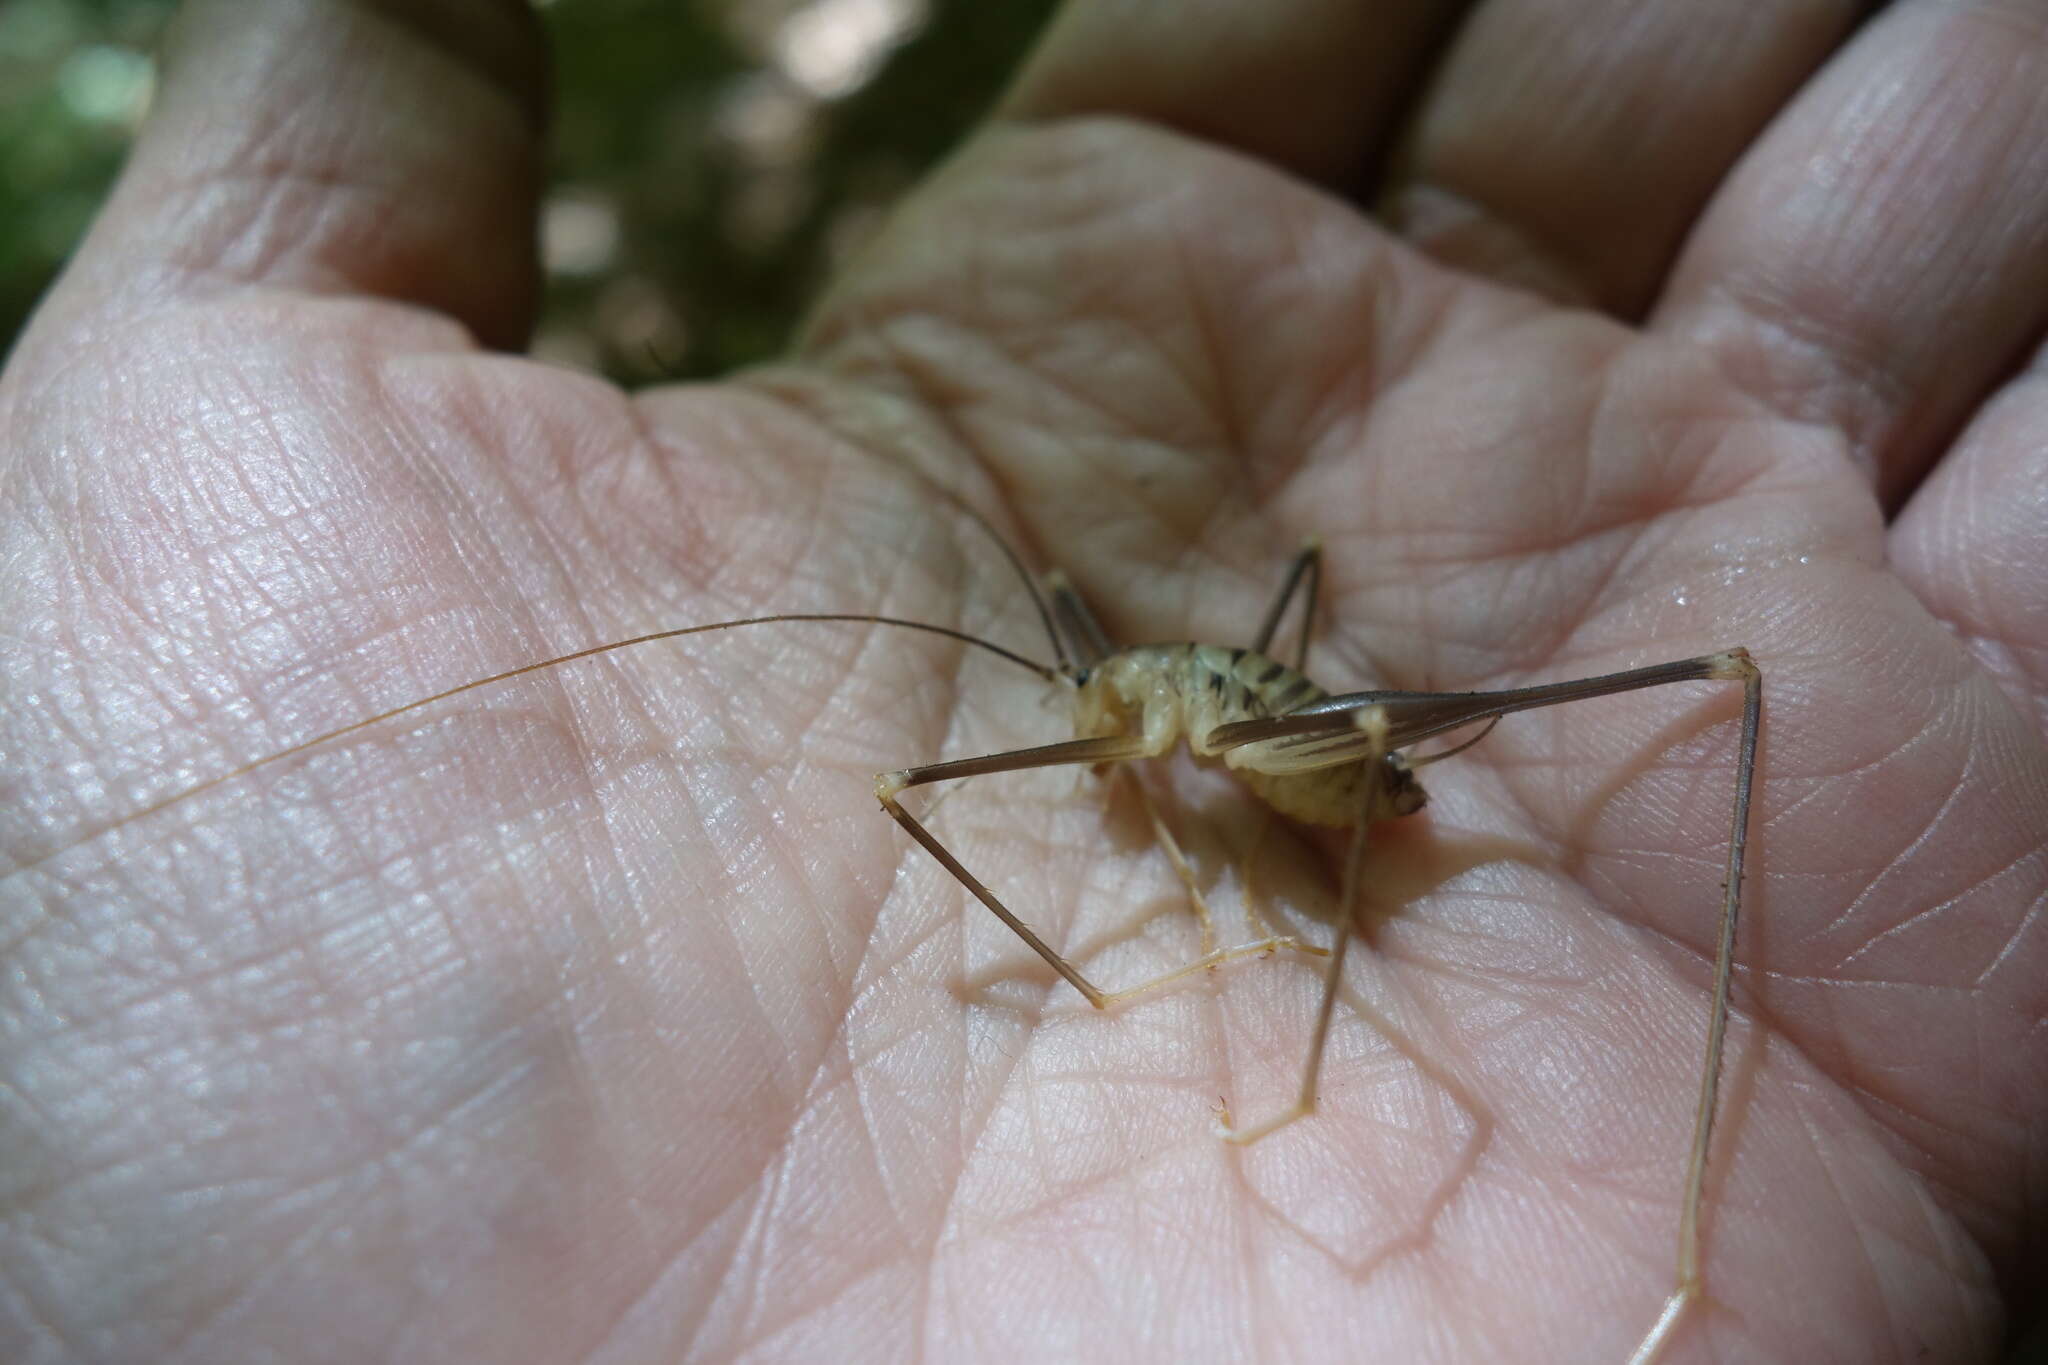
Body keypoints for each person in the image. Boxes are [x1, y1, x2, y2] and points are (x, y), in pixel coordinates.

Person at [2, 1, 2041, 1360]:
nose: (1102, 754)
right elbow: (1110, 706)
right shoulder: (1111, 686)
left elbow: (1261, 768)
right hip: (1259, 716)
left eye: (1110, 724)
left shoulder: (1228, 738)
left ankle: (1669, 1241)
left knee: (1701, 678)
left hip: (1344, 757)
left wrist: (1307, 982)